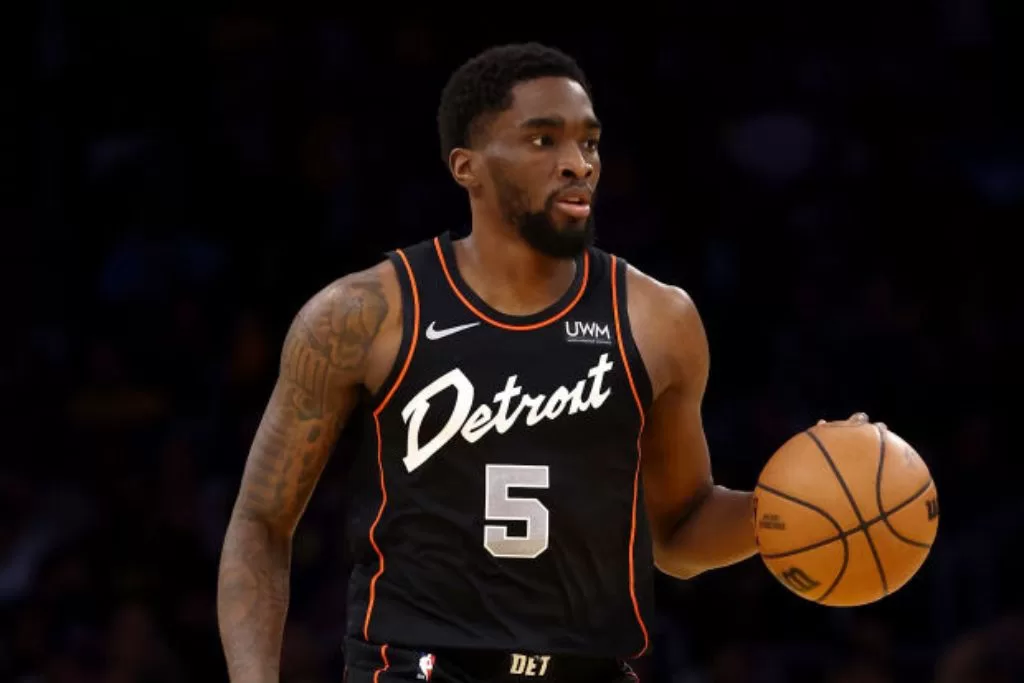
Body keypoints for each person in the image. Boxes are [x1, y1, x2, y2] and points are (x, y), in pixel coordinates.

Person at [216, 42, 862, 683]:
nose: (577, 163)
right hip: (420, 664)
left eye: (590, 142)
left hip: (592, 668)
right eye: (543, 141)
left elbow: (677, 535)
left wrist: (779, 511)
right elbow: (261, 520)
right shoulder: (365, 313)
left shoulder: (658, 319)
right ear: (466, 167)